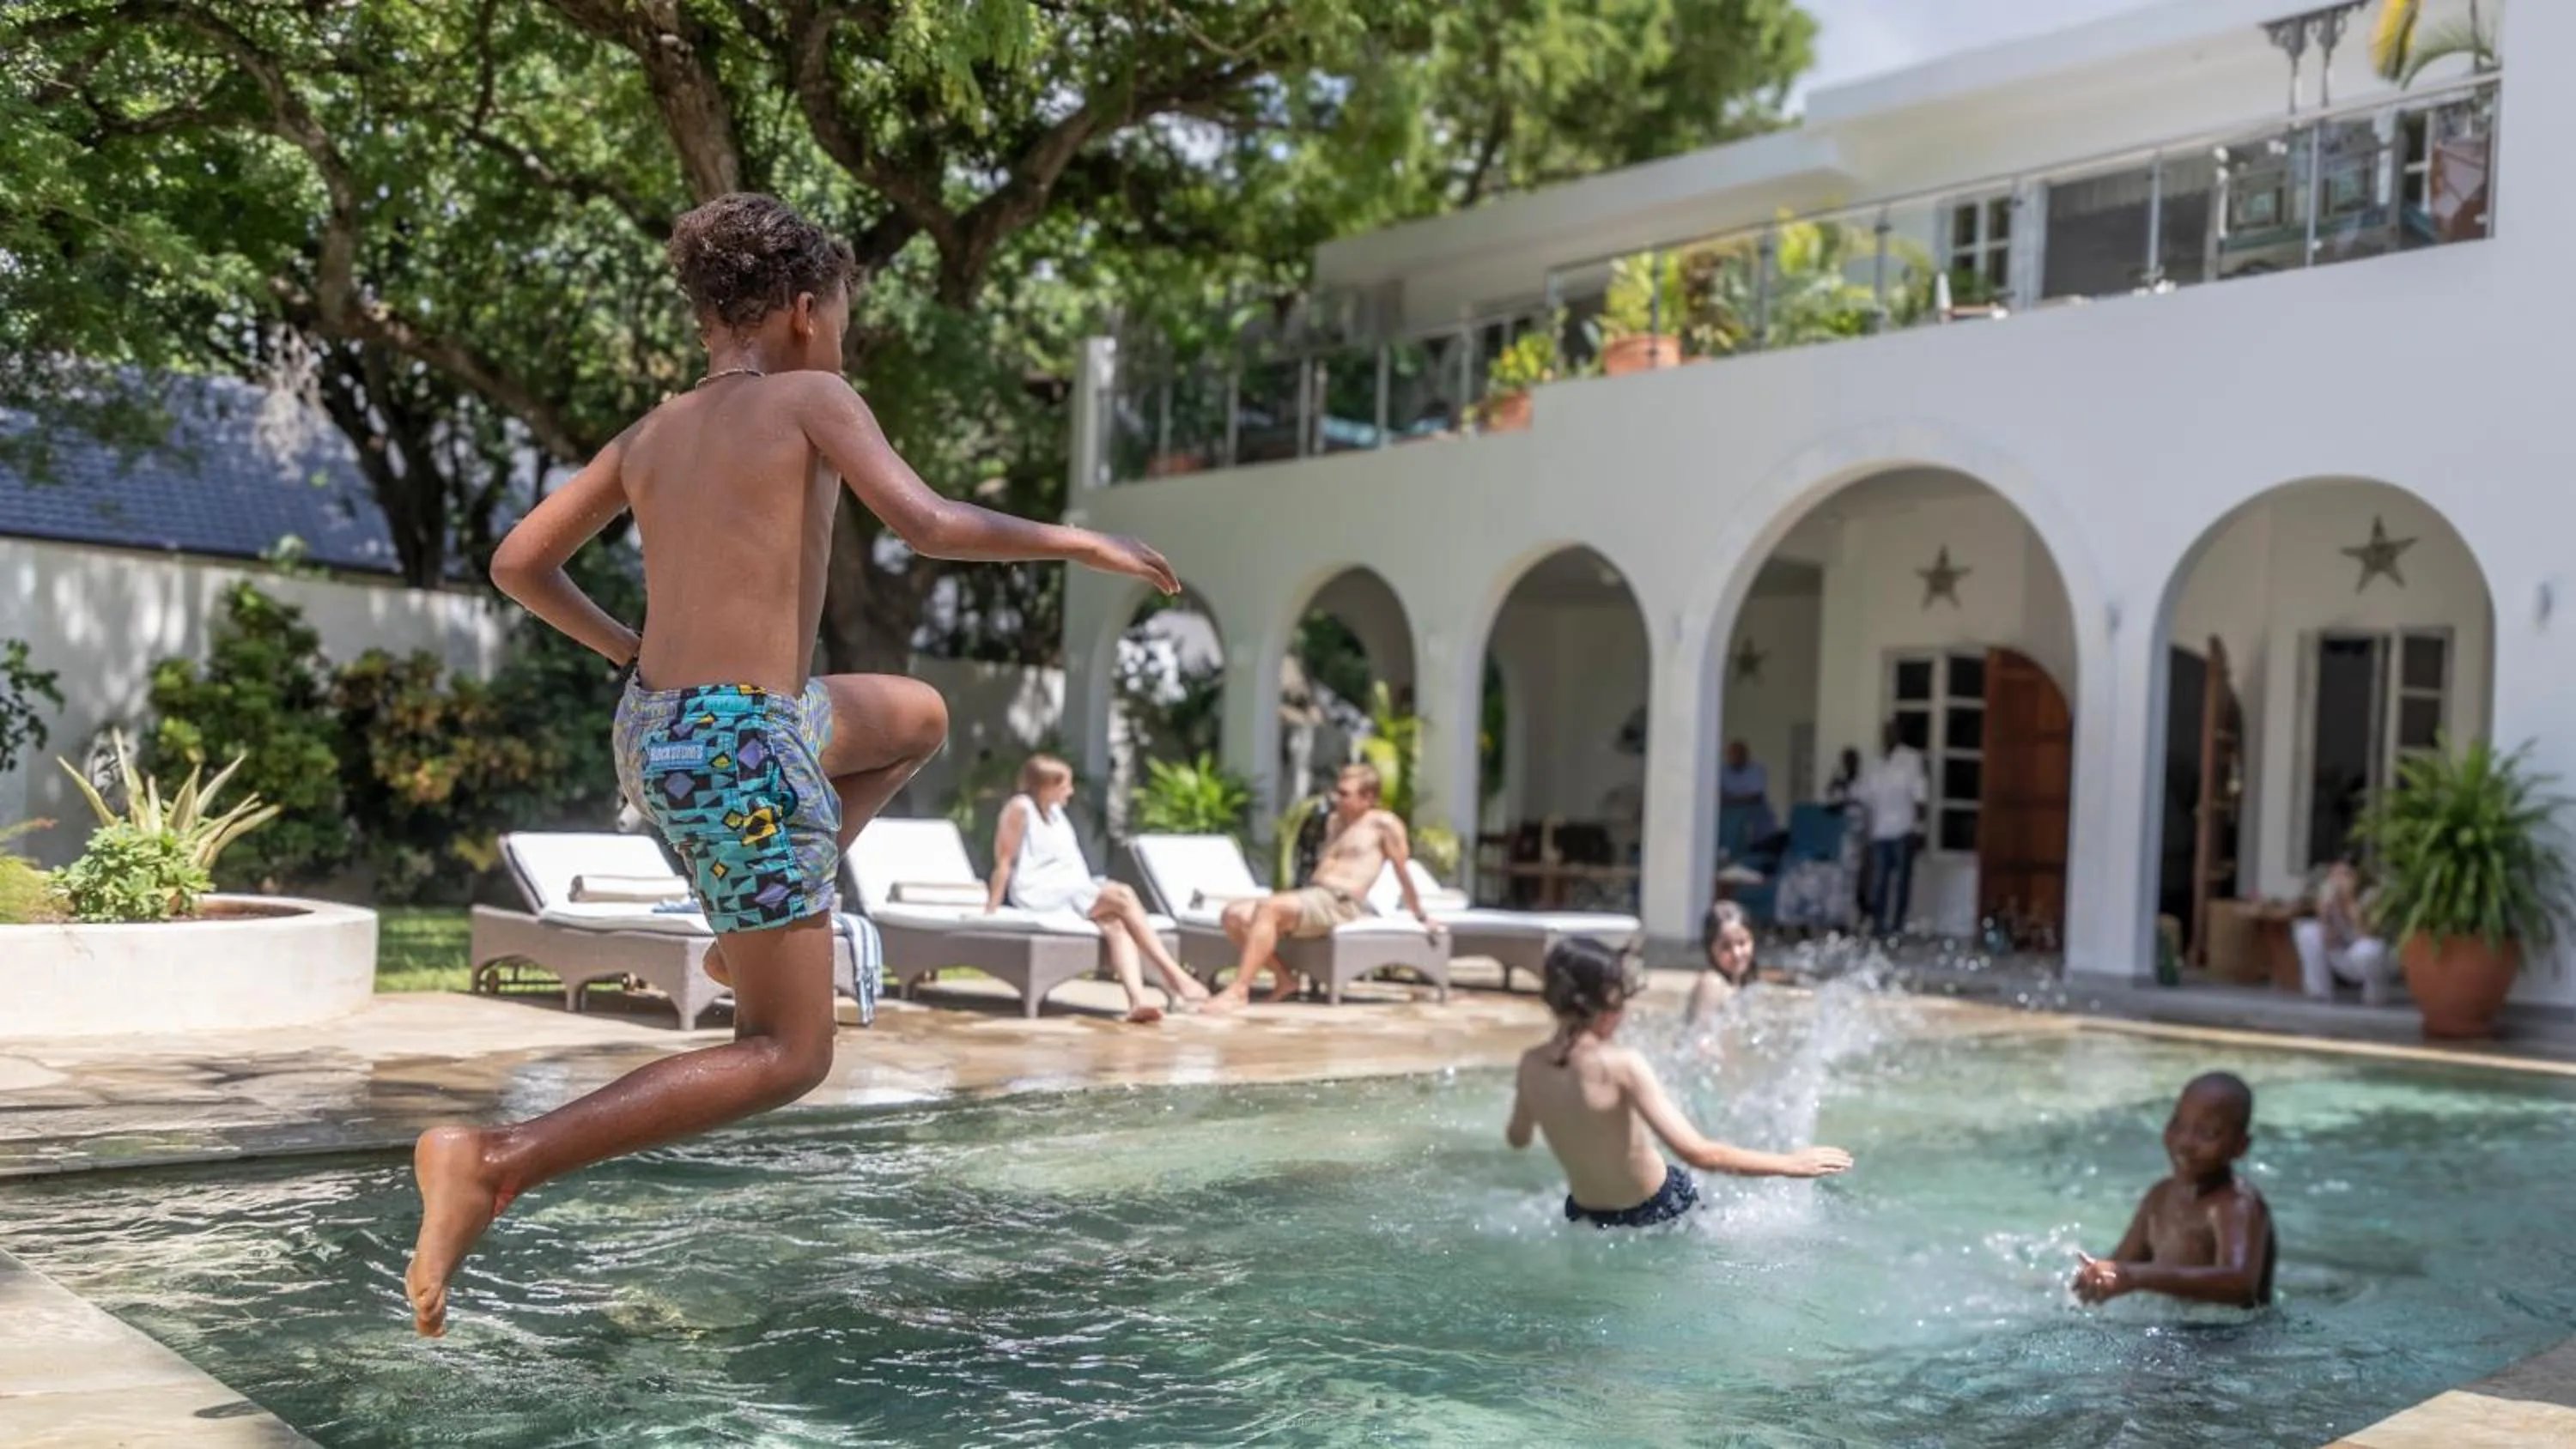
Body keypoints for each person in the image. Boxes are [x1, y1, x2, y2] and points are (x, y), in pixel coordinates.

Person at [402, 193, 1178, 1337]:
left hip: (669, 729)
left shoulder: (653, 431)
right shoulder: (816, 397)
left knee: (913, 714)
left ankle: (748, 927)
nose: (845, 341)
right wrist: (1081, 540)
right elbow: (926, 524)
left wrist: (630, 651)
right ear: (806, 310)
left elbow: (519, 562)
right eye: (845, 319)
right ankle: (497, 1159)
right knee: (788, 1051)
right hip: (745, 746)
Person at [1507, 938, 1852, 1228]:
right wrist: (1790, 1164)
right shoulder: (1621, 1065)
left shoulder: (1531, 1064)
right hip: (1659, 1208)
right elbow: (1699, 1153)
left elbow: (1518, 1138)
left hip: (1586, 1215)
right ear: (1603, 1005)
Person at [1205, 762, 1443, 1014]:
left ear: (1368, 797)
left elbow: (1402, 872)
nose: (1336, 798)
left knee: (1269, 908)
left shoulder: (1384, 825)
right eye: (1337, 791)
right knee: (1233, 914)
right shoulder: (1334, 822)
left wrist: (1420, 915)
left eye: (1345, 794)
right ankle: (1285, 980)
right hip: (1315, 896)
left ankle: (1239, 990)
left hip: (1342, 902)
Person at [988, 754, 1207, 1023]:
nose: (1071, 791)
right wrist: (991, 911)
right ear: (1046, 786)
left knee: (1116, 924)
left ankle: (1137, 1002)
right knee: (1123, 894)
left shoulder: (1055, 813)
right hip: (1041, 893)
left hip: (1071, 890)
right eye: (1065, 785)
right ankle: (1175, 976)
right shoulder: (1020, 808)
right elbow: (1004, 861)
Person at [2072, 1071, 2276, 1310]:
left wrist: (2136, 1276)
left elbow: (2240, 1283)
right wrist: (2092, 1281)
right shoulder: (2160, 1198)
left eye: (2207, 1133)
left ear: (2240, 1146)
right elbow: (2120, 1266)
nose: (2185, 1142)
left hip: (2235, 1333)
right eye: (2178, 1124)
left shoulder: (2236, 1205)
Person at [1856, 721, 1928, 938]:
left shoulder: (1911, 759)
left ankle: (1898, 925)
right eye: (1885, 733)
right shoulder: (1876, 763)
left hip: (1903, 829)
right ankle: (1878, 926)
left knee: (1902, 882)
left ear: (1899, 734)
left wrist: (1920, 828)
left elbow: (1920, 795)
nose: (1887, 736)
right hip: (1880, 831)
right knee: (1879, 882)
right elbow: (1865, 796)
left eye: (1892, 732)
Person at [2292, 861, 2394, 1005]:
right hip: (2343, 954)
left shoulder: (2371, 896)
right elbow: (2327, 938)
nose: (2339, 880)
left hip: (2369, 956)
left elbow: (2365, 933)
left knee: (2369, 950)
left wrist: (2349, 900)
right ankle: (2319, 992)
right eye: (2334, 875)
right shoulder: (2328, 898)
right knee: (2307, 931)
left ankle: (2376, 994)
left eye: (2346, 874)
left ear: (2356, 877)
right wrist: (2326, 911)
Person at [1689, 899, 1757, 1022]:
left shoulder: (1738, 985)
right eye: (1726, 947)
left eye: (1742, 943)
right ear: (1711, 950)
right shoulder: (1711, 983)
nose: (1736, 954)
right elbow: (1702, 1031)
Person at [1719, 740, 1778, 846]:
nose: (1736, 757)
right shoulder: (1722, 771)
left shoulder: (1756, 770)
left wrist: (1730, 799)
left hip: (1754, 811)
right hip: (1729, 813)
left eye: (1739, 753)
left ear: (1746, 755)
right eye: (1732, 753)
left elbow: (1755, 797)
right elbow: (1717, 795)